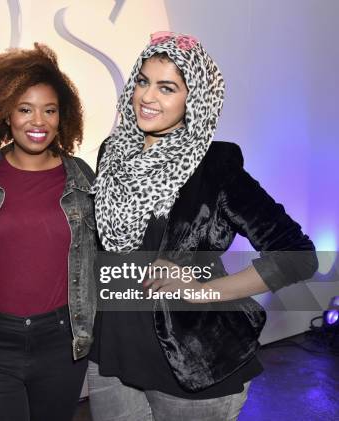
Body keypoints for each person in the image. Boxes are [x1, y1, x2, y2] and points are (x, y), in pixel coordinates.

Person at [88, 32, 318, 421]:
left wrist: (204, 291)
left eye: (167, 88)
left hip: (194, 365)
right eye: (143, 81)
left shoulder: (215, 167)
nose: (147, 97)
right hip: (111, 355)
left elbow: (298, 257)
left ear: (192, 99)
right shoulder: (112, 152)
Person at [0, 43, 97, 421]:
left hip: (61, 341)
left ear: (62, 116)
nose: (39, 121)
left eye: (49, 110)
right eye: (25, 109)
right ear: (5, 113)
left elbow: (108, 251)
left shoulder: (83, 180)